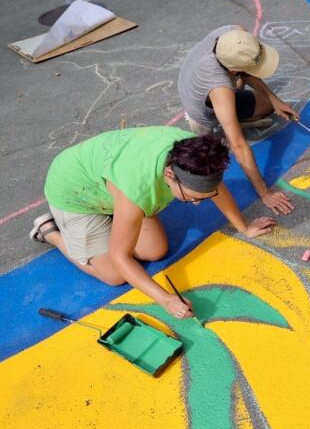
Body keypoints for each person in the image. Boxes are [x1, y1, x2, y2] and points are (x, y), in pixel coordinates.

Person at [30, 126, 275, 319]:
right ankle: (50, 231)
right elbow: (120, 257)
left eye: (202, 198)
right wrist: (166, 299)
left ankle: (118, 218)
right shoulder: (137, 190)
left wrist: (244, 227)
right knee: (115, 275)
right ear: (169, 175)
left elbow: (215, 187)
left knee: (155, 251)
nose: (197, 203)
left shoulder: (196, 155)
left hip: (114, 186)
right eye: (191, 198)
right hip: (75, 196)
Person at [178, 24, 299, 216]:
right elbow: (238, 146)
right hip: (201, 110)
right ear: (233, 71)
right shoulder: (219, 87)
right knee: (224, 137)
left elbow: (244, 70)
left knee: (266, 105)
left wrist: (275, 101)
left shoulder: (234, 34)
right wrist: (265, 193)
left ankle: (230, 118)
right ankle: (218, 121)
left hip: (196, 81)